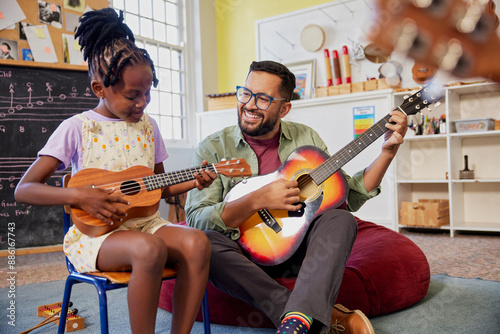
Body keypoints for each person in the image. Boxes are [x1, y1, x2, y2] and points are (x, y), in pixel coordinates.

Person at [14, 8, 216, 334]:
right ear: (99, 88)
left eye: (148, 92)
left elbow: (159, 187)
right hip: (99, 237)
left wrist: (195, 180)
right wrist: (79, 195)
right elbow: (24, 189)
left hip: (147, 224)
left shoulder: (149, 128)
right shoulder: (77, 128)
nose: (143, 102)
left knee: (198, 243)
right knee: (149, 250)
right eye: (132, 95)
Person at [185, 60, 408, 334]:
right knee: (202, 244)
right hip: (240, 255)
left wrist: (387, 153)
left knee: (341, 219)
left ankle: (297, 322)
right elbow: (196, 219)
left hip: (296, 248)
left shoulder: (305, 138)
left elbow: (349, 194)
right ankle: (304, 320)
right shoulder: (212, 147)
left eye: (264, 99)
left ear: (284, 108)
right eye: (246, 93)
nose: (249, 104)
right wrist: (257, 200)